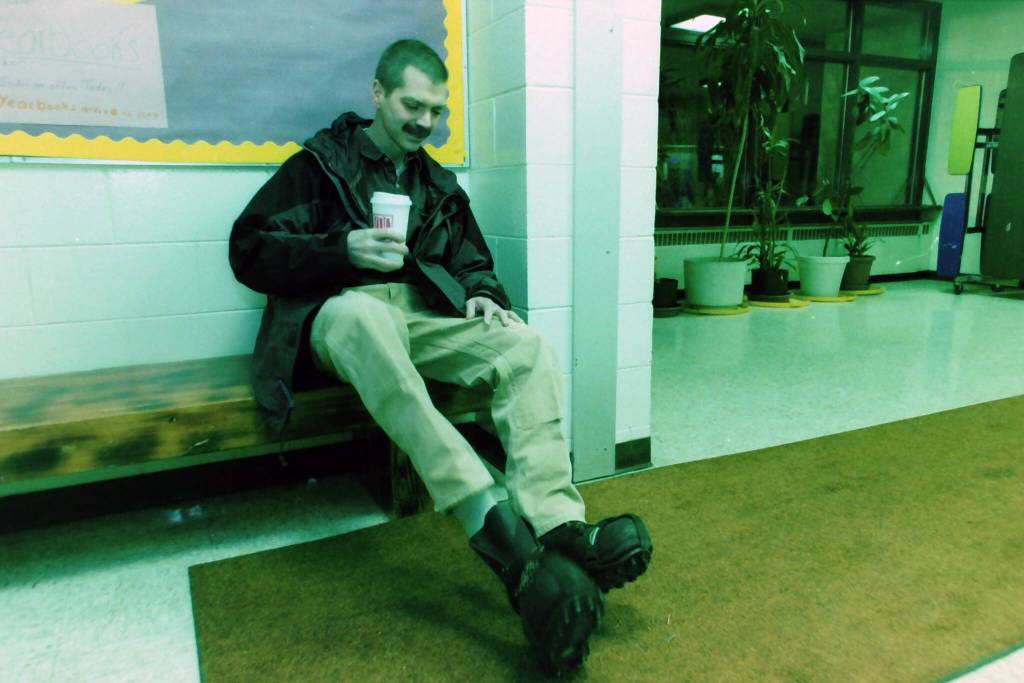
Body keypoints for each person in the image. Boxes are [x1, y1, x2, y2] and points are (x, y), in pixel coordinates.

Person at [228, 38, 652, 674]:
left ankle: (560, 527)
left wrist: (482, 294)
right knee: (366, 315)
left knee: (525, 344)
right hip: (337, 315)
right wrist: (342, 251)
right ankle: (496, 529)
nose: (424, 122)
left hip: (418, 320)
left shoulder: (437, 183)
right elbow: (248, 248)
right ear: (378, 93)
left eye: (435, 110)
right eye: (411, 104)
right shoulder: (317, 165)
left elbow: (473, 262)